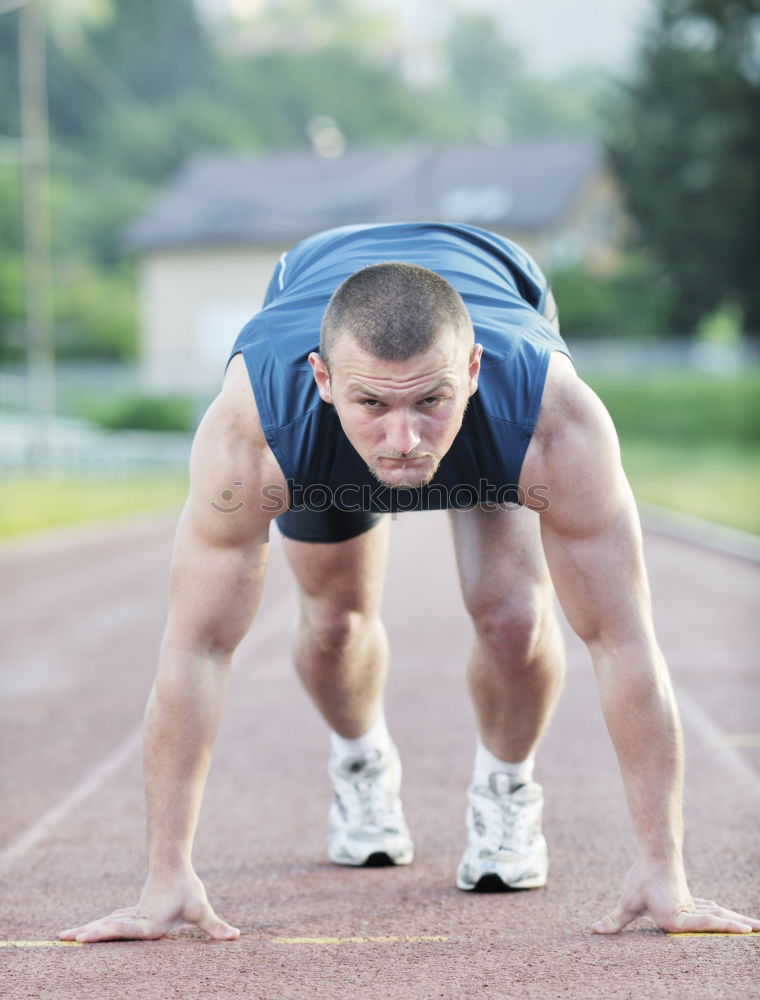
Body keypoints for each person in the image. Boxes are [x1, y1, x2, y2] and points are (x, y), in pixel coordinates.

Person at [60, 222, 758, 943]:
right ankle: (361, 764)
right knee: (335, 622)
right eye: (373, 406)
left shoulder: (552, 420)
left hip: (500, 288)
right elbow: (196, 647)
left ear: (475, 371)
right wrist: (164, 875)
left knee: (515, 618)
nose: (405, 441)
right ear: (323, 380)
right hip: (314, 311)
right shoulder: (256, 431)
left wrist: (664, 865)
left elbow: (622, 638)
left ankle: (507, 786)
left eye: (430, 401)